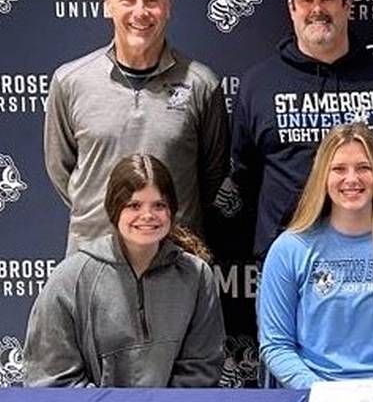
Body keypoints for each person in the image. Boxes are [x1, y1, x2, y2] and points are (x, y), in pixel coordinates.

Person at [229, 0, 373, 262]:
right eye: (306, 0)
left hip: (372, 254)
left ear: (347, 6)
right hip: (286, 257)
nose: (317, 10)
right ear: (291, 9)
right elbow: (244, 174)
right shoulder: (258, 84)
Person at [44, 0, 230, 255]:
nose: (140, 12)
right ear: (107, 5)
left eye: (152, 1)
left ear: (168, 6)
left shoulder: (201, 84)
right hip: (92, 257)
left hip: (176, 259)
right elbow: (62, 172)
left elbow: (210, 176)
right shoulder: (70, 81)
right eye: (127, 0)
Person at [258, 123, 373, 389]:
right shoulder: (289, 249)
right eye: (339, 169)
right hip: (313, 400)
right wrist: (319, 392)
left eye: (364, 168)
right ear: (322, 176)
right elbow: (276, 344)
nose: (352, 179)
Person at [24, 154, 225, 388]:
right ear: (114, 209)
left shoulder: (196, 275)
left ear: (172, 210)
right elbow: (52, 376)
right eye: (134, 205)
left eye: (159, 205)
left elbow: (202, 368)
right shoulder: (70, 279)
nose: (147, 215)